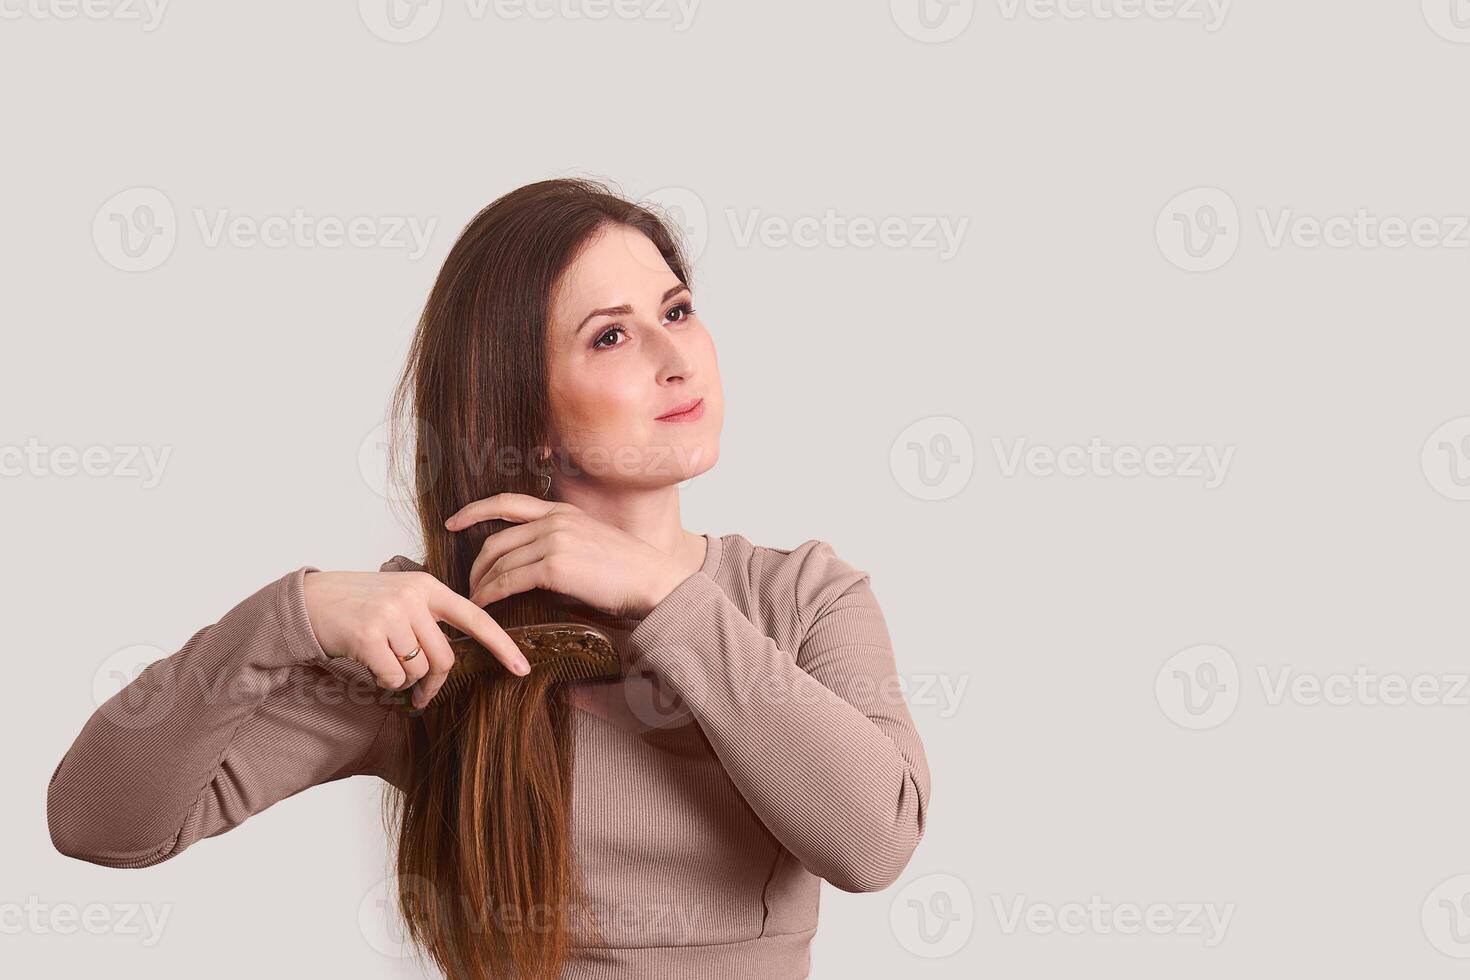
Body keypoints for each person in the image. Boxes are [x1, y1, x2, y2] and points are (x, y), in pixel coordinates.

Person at [47, 177, 932, 980]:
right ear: (527, 413)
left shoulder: (805, 596)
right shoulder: (439, 633)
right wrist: (291, 614)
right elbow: (100, 825)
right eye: (613, 335)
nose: (677, 357)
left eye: (679, 308)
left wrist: (666, 597)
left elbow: (874, 843)